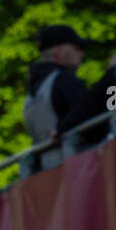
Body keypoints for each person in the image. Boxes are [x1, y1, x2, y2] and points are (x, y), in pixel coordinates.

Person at [22, 23, 88, 168]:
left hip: (48, 175)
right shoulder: (64, 81)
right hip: (78, 168)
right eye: (77, 48)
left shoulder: (31, 94)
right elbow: (88, 119)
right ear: (59, 53)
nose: (82, 54)